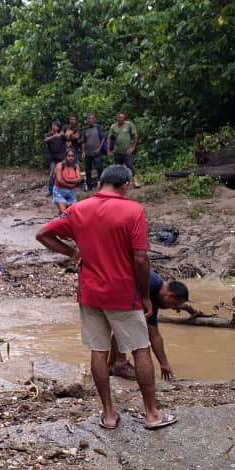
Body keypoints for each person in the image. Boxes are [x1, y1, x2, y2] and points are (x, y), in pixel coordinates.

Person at [36, 164, 177, 431]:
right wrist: (146, 295)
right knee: (141, 349)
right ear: (124, 185)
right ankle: (151, 414)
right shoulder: (133, 211)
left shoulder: (78, 209)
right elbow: (141, 258)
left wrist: (72, 254)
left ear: (101, 183)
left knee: (98, 352)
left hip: (90, 294)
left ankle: (109, 415)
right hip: (124, 294)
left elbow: (43, 234)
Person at [108, 273, 190, 380]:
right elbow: (123, 325)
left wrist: (164, 363)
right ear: (170, 296)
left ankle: (110, 366)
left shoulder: (154, 297)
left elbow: (154, 334)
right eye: (174, 305)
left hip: (113, 290)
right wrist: (121, 359)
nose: (173, 308)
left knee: (130, 324)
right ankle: (120, 364)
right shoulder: (150, 285)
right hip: (110, 287)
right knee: (130, 324)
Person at [108, 113, 140, 188]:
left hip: (126, 150)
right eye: (119, 117)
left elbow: (135, 135)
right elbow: (109, 138)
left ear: (125, 118)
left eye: (123, 117)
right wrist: (108, 150)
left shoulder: (129, 124)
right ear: (117, 118)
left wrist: (133, 147)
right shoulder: (113, 126)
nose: (121, 119)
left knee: (130, 166)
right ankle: (120, 184)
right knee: (118, 168)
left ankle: (135, 181)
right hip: (117, 151)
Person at [80, 112, 106, 191]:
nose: (90, 120)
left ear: (94, 120)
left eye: (92, 118)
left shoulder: (98, 127)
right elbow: (83, 141)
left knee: (99, 168)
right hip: (88, 152)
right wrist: (83, 151)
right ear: (87, 120)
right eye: (89, 118)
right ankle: (89, 186)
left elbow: (103, 139)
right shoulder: (85, 129)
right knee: (88, 169)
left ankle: (101, 185)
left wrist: (99, 148)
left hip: (97, 152)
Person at [52, 148, 81, 214]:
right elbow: (59, 180)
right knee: (64, 212)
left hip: (71, 193)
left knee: (72, 212)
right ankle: (60, 221)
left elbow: (79, 179)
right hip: (59, 191)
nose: (71, 158)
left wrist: (67, 180)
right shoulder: (59, 165)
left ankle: (59, 221)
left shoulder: (76, 166)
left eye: (72, 156)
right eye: (69, 156)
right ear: (65, 157)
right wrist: (71, 185)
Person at [45, 120, 66, 196]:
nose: (55, 127)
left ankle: (62, 190)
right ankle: (51, 191)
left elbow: (68, 137)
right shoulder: (48, 135)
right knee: (52, 175)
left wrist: (63, 134)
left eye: (57, 126)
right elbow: (46, 140)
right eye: (54, 125)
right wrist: (54, 136)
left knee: (62, 175)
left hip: (62, 158)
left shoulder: (61, 136)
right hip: (53, 159)